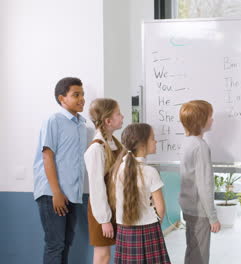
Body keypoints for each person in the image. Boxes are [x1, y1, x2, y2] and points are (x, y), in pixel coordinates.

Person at [33, 77, 87, 263]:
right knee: (55, 245)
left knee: (65, 244)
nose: (82, 99)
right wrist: (56, 192)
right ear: (62, 98)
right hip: (52, 194)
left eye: (82, 94)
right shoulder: (53, 120)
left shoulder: (81, 125)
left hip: (72, 195)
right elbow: (47, 156)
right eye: (76, 95)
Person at [113, 123, 171, 264]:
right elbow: (161, 208)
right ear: (142, 144)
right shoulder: (150, 172)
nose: (156, 141)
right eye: (153, 138)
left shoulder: (118, 169)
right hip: (149, 228)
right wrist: (156, 223)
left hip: (124, 229)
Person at [178, 100, 221, 264]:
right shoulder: (200, 146)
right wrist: (213, 217)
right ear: (201, 121)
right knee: (200, 256)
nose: (212, 120)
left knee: (192, 249)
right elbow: (205, 185)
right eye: (210, 116)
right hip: (199, 209)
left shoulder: (187, 142)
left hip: (188, 206)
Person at [84, 98, 124, 264]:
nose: (122, 116)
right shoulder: (96, 149)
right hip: (101, 211)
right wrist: (104, 219)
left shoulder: (115, 143)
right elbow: (97, 187)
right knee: (103, 255)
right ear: (108, 121)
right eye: (118, 114)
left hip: (115, 205)